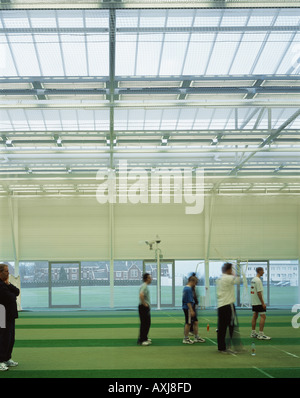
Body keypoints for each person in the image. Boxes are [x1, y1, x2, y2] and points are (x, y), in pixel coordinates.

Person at [216, 262, 242, 354]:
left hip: (220, 306)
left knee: (221, 327)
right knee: (231, 326)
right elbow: (239, 281)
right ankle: (227, 347)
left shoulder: (219, 278)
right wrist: (235, 273)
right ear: (229, 270)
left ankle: (221, 347)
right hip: (228, 305)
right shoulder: (228, 278)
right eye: (231, 269)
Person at [0, 264, 20, 371]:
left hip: (10, 315)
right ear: (0, 272)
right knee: (3, 338)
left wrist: (8, 284)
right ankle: (0, 360)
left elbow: (17, 292)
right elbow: (10, 297)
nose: (8, 273)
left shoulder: (5, 284)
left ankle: (7, 358)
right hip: (2, 314)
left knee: (10, 338)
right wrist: (10, 290)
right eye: (6, 271)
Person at [182, 275, 205, 344]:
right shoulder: (188, 289)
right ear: (192, 281)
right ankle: (186, 338)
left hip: (191, 307)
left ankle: (196, 337)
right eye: (195, 282)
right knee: (188, 323)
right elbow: (188, 301)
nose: (195, 284)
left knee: (195, 322)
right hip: (188, 308)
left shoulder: (188, 288)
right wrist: (191, 310)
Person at [250, 267, 271, 340]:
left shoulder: (253, 280)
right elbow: (259, 292)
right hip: (258, 302)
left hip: (254, 301)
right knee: (263, 316)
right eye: (263, 271)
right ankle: (261, 334)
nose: (264, 272)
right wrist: (263, 303)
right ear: (259, 271)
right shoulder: (258, 280)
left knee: (255, 316)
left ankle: (253, 333)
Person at [137, 273, 152, 346]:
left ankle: (144, 338)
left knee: (146, 323)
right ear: (146, 279)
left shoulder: (145, 286)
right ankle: (142, 340)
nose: (151, 279)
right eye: (149, 278)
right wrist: (144, 303)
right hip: (143, 307)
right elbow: (141, 295)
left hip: (144, 307)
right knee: (145, 323)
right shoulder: (144, 286)